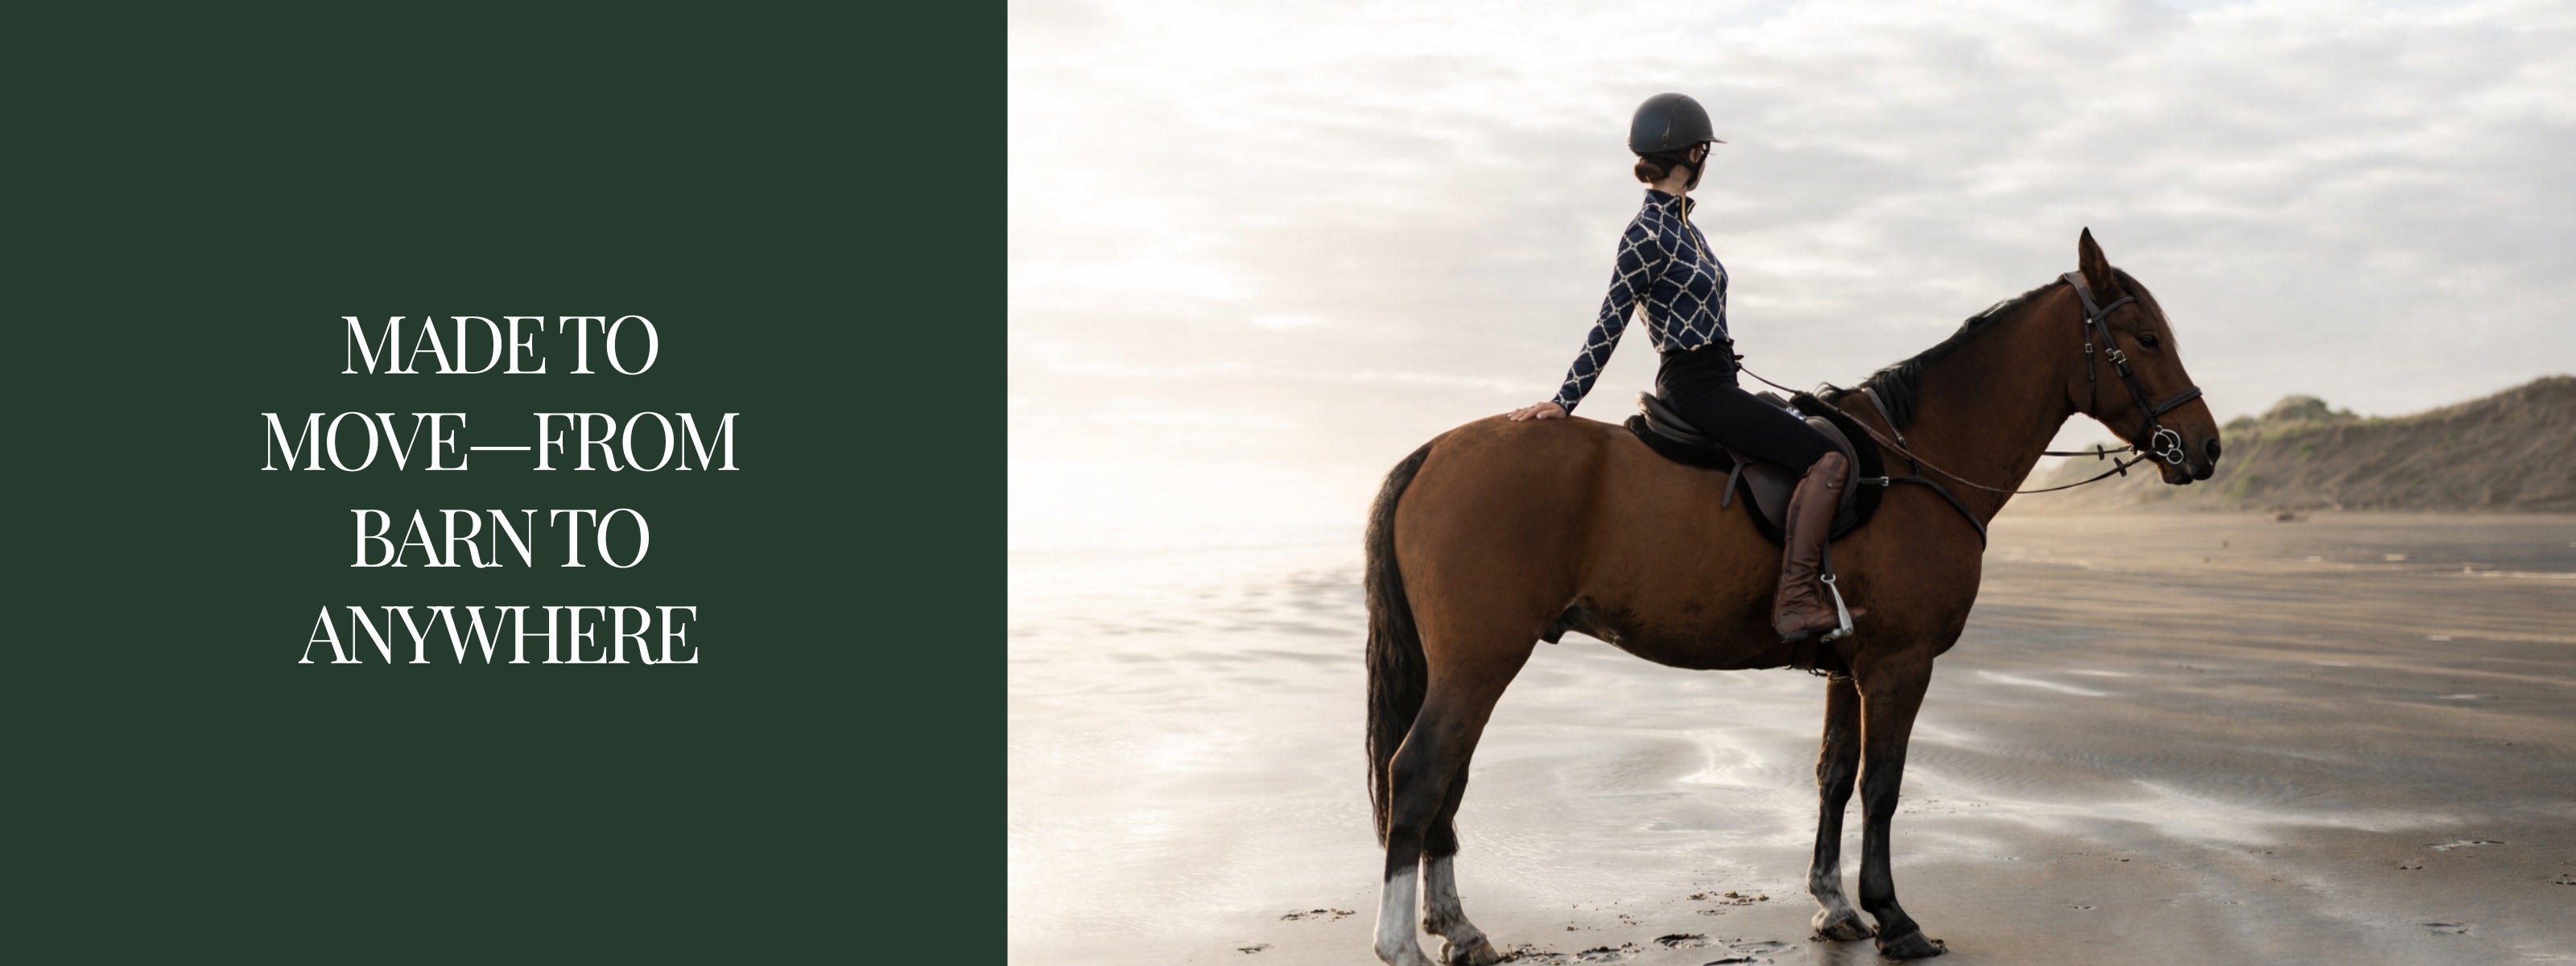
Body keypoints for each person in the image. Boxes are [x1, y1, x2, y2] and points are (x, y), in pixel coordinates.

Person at [1506, 92, 1858, 644]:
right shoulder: (1644, 235)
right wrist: (1565, 400)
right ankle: (1793, 599)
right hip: (1696, 387)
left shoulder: (1688, 229)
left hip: (1720, 377)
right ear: (1694, 153)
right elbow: (1611, 320)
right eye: (1705, 153)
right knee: (1828, 459)